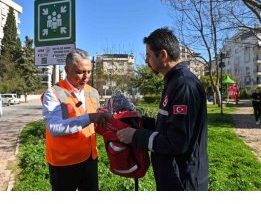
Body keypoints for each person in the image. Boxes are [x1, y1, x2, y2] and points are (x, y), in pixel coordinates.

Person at [117, 27, 208, 191]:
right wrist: (139, 119)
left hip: (183, 181)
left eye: (149, 56)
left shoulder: (184, 85)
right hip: (171, 176)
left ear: (163, 55)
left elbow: (177, 141)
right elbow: (168, 126)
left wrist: (136, 136)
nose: (146, 61)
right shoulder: (173, 81)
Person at [41, 48, 111, 191]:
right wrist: (90, 117)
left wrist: (116, 124)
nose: (86, 77)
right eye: (80, 72)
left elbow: (96, 125)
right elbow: (55, 128)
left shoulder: (93, 92)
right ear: (67, 69)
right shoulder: (53, 93)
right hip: (64, 164)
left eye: (89, 71)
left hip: (90, 159)